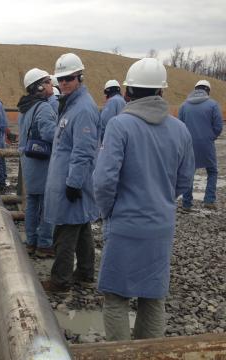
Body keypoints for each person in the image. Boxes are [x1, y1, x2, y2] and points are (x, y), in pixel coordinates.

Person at [93, 58, 195, 341]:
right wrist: (161, 200)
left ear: (127, 92)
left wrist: (109, 211)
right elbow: (185, 180)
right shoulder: (180, 130)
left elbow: (104, 181)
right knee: (153, 298)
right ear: (161, 92)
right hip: (160, 227)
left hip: (125, 224)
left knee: (115, 298)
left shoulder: (119, 126)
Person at [42, 53, 100, 292]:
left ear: (80, 77)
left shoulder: (83, 109)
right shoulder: (71, 104)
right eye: (61, 79)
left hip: (71, 180)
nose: (64, 83)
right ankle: (85, 272)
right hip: (69, 178)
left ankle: (60, 279)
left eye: (69, 78)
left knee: (65, 229)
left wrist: (74, 183)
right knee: (82, 224)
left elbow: (84, 150)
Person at [17, 68, 57, 258]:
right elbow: (50, 134)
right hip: (42, 164)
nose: (52, 84)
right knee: (47, 203)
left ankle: (31, 242)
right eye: (48, 81)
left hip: (29, 162)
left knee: (32, 203)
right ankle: (45, 244)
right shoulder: (44, 107)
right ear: (39, 86)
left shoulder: (25, 107)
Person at [179, 80, 223, 210]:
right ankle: (209, 200)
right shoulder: (213, 105)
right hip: (207, 144)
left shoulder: (184, 105)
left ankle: (186, 203)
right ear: (207, 90)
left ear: (195, 89)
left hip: (189, 145)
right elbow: (218, 126)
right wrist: (210, 137)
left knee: (189, 173)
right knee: (212, 171)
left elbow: (179, 126)